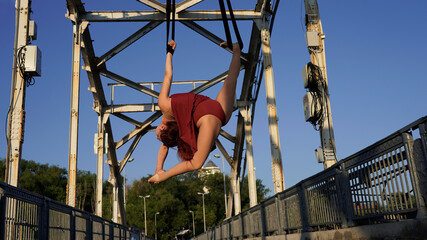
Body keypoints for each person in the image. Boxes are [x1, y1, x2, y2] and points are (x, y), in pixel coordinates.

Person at [148, 40, 241, 183]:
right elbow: (168, 75)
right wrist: (169, 53)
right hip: (209, 109)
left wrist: (159, 171)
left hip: (217, 115)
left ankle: (236, 50)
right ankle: (235, 50)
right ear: (162, 127)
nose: (157, 138)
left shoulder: (179, 128)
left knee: (231, 80)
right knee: (230, 81)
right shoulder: (164, 105)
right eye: (158, 136)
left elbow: (165, 147)